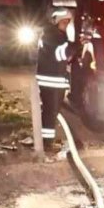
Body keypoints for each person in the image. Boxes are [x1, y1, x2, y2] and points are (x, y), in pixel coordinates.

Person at [35, 8, 77, 152]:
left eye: (68, 22)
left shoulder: (54, 35)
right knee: (49, 113)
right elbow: (60, 54)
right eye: (64, 22)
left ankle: (45, 141)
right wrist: (77, 45)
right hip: (51, 81)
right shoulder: (53, 37)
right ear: (57, 22)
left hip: (53, 80)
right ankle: (46, 144)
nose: (66, 25)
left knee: (50, 112)